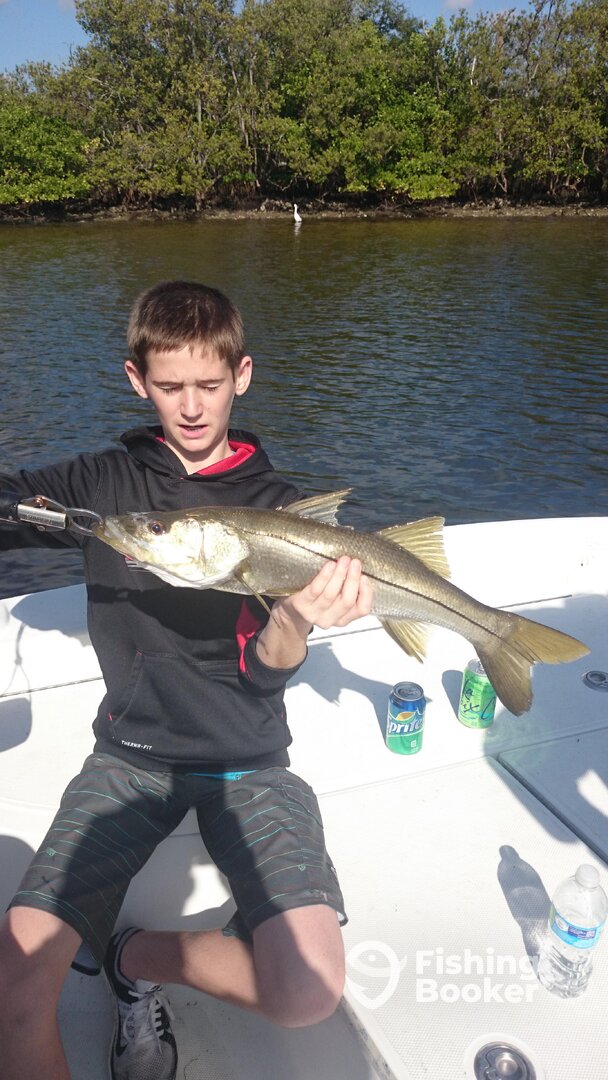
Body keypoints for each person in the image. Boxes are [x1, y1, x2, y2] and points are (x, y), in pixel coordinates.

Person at [0, 280, 372, 1080]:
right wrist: (37, 514)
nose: (193, 407)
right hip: (127, 758)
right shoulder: (102, 485)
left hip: (248, 758)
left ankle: (136, 960)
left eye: (209, 385)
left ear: (243, 375)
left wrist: (299, 618)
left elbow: (267, 673)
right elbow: (8, 505)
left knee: (309, 991)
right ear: (139, 381)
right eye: (171, 388)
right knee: (14, 990)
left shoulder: (282, 514)